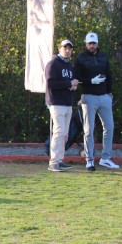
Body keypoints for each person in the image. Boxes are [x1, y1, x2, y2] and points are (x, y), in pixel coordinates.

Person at [73, 32, 119, 171]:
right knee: (88, 129)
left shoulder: (103, 57)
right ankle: (89, 159)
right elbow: (77, 78)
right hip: (89, 97)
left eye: (94, 43)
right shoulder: (80, 58)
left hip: (104, 96)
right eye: (89, 43)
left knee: (109, 127)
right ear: (86, 44)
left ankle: (106, 158)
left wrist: (109, 92)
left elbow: (109, 74)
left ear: (97, 44)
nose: (92, 46)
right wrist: (90, 81)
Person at [45, 39, 80, 172]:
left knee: (65, 134)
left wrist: (73, 86)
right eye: (65, 48)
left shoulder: (69, 65)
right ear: (59, 49)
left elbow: (69, 83)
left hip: (67, 102)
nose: (67, 51)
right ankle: (53, 162)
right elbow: (50, 83)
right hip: (56, 102)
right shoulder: (53, 63)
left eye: (70, 49)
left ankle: (60, 160)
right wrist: (69, 84)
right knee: (59, 132)